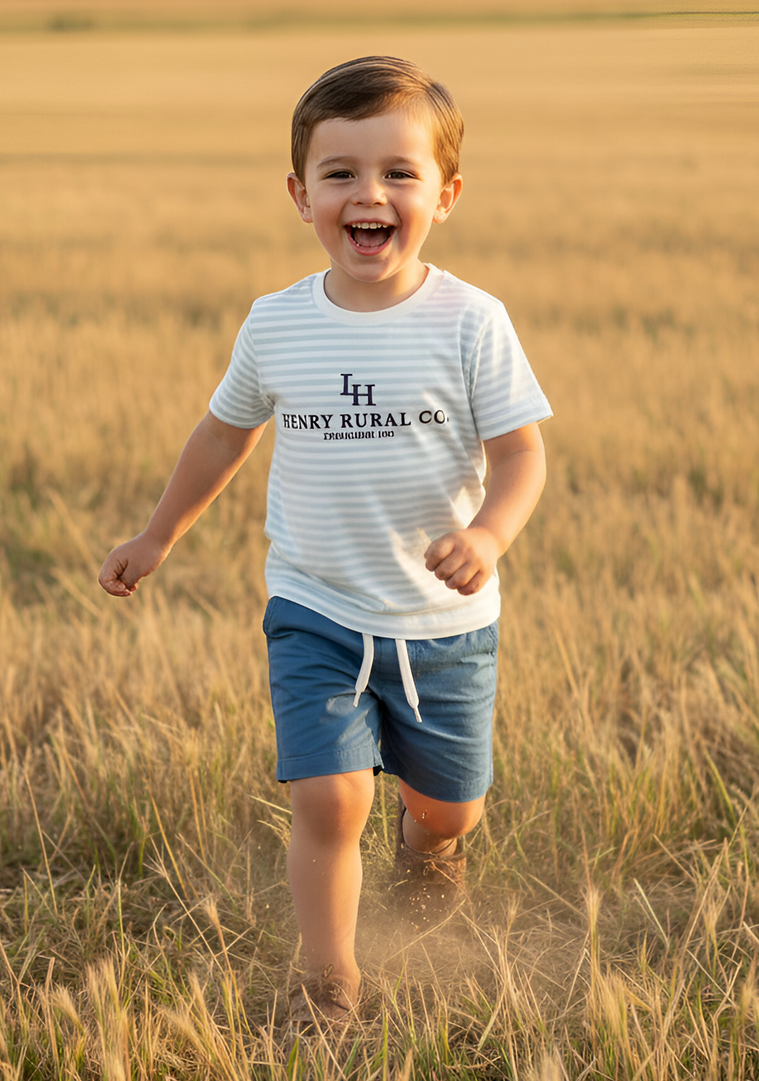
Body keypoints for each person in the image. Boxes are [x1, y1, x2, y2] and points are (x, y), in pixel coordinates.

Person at [98, 55, 551, 1026]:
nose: (368, 194)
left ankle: (429, 847)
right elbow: (225, 434)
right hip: (316, 607)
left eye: (398, 172)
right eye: (340, 173)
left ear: (448, 193)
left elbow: (523, 456)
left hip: (446, 622)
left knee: (447, 808)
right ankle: (329, 976)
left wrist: (490, 532)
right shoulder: (278, 323)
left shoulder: (473, 323)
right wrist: (156, 534)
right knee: (328, 800)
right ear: (300, 195)